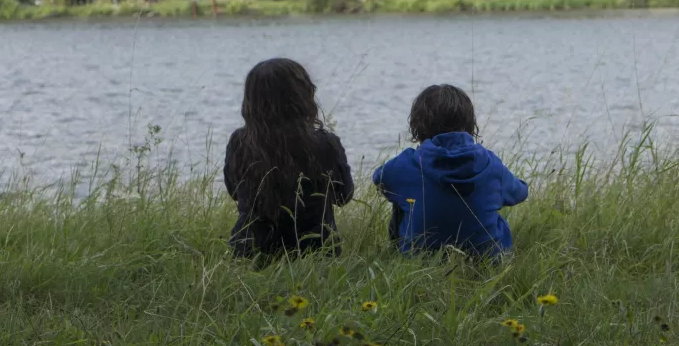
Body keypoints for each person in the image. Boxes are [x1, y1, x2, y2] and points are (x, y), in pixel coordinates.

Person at [372, 84, 528, 257]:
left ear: (419, 126)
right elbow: (520, 193)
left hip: (420, 262)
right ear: (469, 124)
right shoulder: (489, 163)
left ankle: (400, 254)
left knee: (401, 199)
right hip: (485, 262)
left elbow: (380, 179)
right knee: (493, 203)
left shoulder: (407, 163)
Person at [223, 58, 355, 260]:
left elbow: (235, 192)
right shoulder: (326, 143)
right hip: (318, 253)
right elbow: (343, 196)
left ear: (251, 101)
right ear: (304, 96)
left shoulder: (239, 142)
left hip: (250, 254)